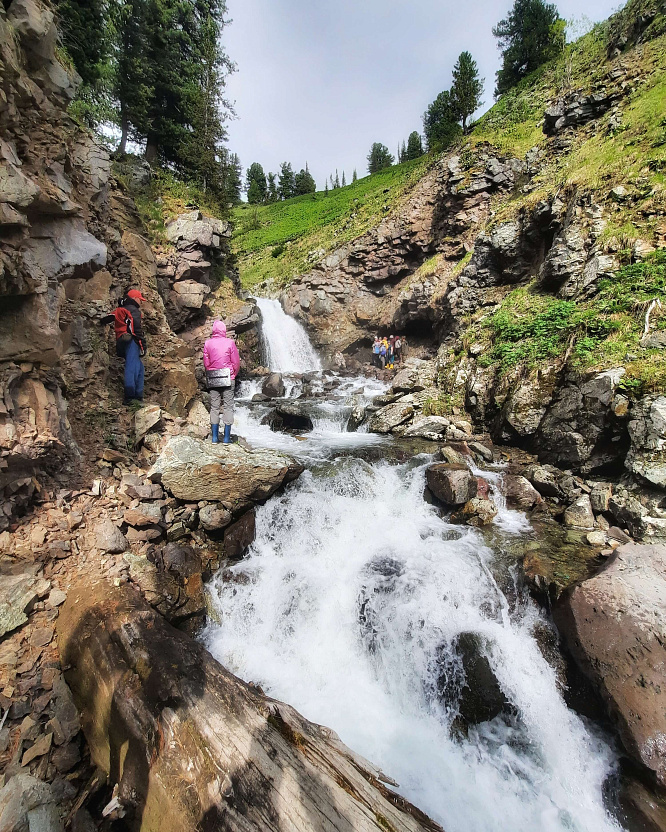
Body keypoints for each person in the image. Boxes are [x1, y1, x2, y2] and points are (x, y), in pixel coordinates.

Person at [100, 289, 147, 404]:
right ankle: (131, 397)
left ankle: (138, 395)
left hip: (121, 340)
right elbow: (135, 329)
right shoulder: (134, 310)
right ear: (135, 299)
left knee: (139, 367)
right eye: (140, 299)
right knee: (133, 367)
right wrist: (142, 345)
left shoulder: (120, 309)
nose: (141, 302)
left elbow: (107, 318)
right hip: (132, 340)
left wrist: (100, 322)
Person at [203, 319, 241, 444]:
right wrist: (233, 374)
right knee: (228, 406)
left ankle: (214, 438)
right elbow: (235, 361)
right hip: (228, 377)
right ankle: (226, 438)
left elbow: (206, 363)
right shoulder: (230, 342)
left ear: (214, 330)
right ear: (224, 330)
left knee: (214, 406)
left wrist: (211, 372)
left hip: (213, 377)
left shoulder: (208, 343)